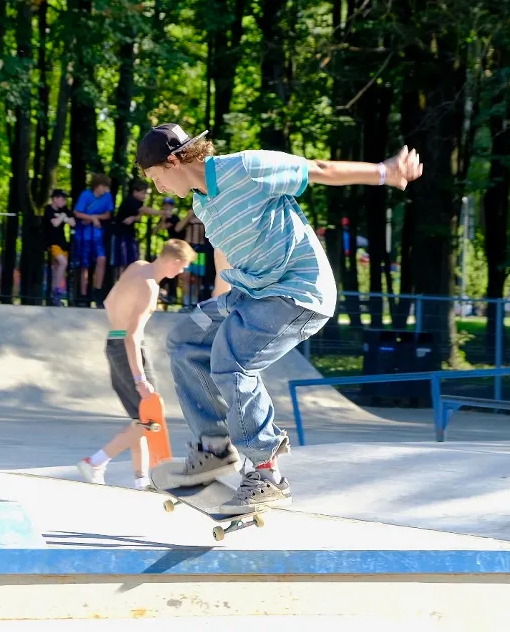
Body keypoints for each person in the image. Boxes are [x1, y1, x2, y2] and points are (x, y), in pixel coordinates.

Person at [135, 123, 422, 513]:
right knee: (186, 339)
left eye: (156, 179)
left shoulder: (247, 169)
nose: (159, 190)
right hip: (250, 291)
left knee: (231, 361)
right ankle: (214, 448)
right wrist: (221, 305)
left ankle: (267, 473)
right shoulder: (203, 203)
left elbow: (318, 168)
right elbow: (230, 253)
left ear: (172, 161)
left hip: (297, 292)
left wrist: (385, 172)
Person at [77, 239, 196, 489]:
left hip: (113, 342)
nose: (182, 272)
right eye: (182, 266)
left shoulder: (136, 266)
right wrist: (140, 378)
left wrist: (118, 327)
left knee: (139, 418)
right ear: (174, 262)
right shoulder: (150, 287)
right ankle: (96, 461)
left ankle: (141, 479)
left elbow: (109, 301)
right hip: (128, 350)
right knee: (150, 418)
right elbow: (132, 336)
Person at [71, 174, 115, 307]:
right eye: (104, 187)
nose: (106, 190)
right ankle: (83, 295)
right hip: (84, 233)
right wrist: (92, 219)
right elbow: (77, 212)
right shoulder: (85, 195)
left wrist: (93, 217)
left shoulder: (107, 197)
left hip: (97, 233)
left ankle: (98, 291)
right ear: (98, 186)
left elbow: (108, 214)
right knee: (84, 264)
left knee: (101, 259)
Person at [111, 179, 159, 280]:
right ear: (135, 191)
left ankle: (128, 283)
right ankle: (120, 284)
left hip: (129, 234)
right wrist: (161, 212)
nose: (144, 196)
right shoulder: (130, 200)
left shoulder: (138, 202)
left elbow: (138, 217)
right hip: (120, 234)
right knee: (121, 261)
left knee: (131, 261)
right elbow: (144, 210)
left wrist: (133, 218)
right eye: (143, 193)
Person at [43, 189, 75, 305]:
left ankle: (53, 293)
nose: (64, 202)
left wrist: (62, 217)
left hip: (62, 242)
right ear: (55, 199)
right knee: (63, 262)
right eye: (62, 199)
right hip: (52, 242)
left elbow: (72, 223)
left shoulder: (64, 210)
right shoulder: (48, 209)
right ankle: (56, 290)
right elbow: (55, 223)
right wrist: (62, 217)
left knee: (57, 268)